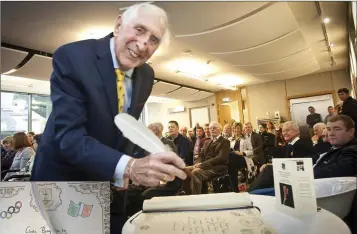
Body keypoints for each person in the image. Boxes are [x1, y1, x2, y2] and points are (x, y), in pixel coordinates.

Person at [30, 3, 186, 233]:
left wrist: (153, 155)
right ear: (118, 25)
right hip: (62, 187)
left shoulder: (146, 75)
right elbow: (70, 139)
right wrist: (129, 167)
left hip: (110, 191)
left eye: (154, 40)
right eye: (139, 29)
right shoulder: (73, 57)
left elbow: (123, 128)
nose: (143, 44)